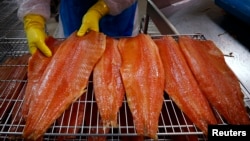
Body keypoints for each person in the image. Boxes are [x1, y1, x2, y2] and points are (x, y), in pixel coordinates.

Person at [17, 0, 139, 57]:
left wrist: (101, 8)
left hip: (120, 15)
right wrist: (33, 19)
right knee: (72, 62)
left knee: (117, 61)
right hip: (73, 10)